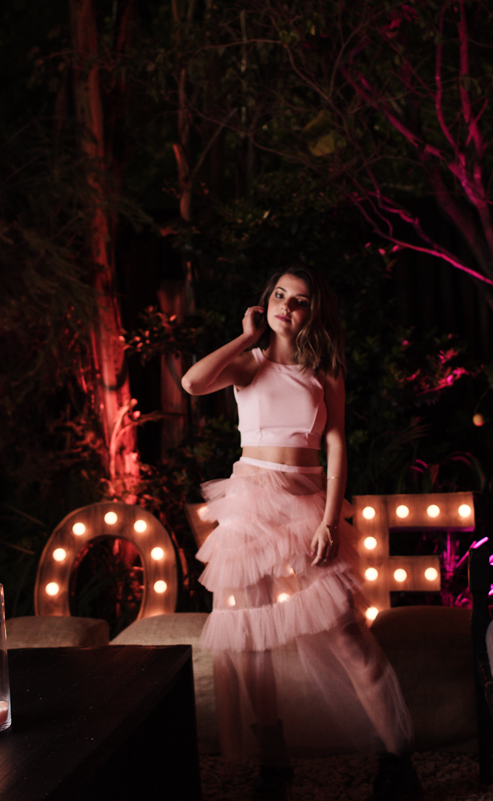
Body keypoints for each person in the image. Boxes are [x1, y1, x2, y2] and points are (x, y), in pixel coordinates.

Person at [181, 268, 421, 801]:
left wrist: (331, 520)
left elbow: (336, 443)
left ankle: (397, 758)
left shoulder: (324, 370)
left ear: (314, 312)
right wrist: (245, 336)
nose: (286, 306)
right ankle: (274, 764)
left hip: (307, 502)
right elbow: (192, 383)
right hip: (248, 502)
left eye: (300, 300)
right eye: (280, 295)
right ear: (266, 301)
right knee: (250, 640)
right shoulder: (248, 363)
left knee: (346, 632)